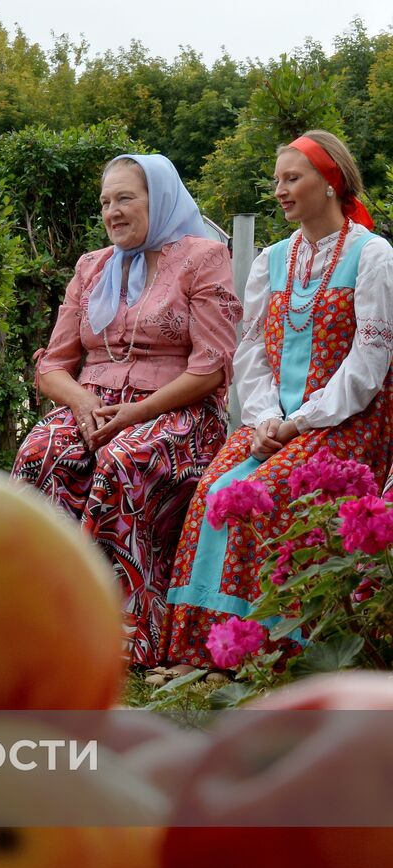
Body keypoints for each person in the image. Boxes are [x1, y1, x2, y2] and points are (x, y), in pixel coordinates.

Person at [163, 130, 393, 667]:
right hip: (277, 423)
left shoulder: (373, 255)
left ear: (331, 181)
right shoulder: (272, 259)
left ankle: (267, 655)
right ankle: (202, 649)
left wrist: (300, 422)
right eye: (277, 181)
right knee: (215, 491)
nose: (280, 191)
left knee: (264, 493)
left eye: (292, 178)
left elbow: (369, 362)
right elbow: (253, 352)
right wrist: (266, 419)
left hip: (346, 420)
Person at [12, 153, 240, 667]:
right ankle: (36, 617)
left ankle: (122, 634)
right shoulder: (92, 266)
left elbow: (210, 369)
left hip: (177, 414)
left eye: (125, 198)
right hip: (93, 407)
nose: (112, 212)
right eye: (105, 202)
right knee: (40, 452)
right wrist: (84, 402)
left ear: (157, 200)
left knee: (123, 462)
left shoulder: (204, 258)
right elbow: (52, 365)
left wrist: (135, 415)